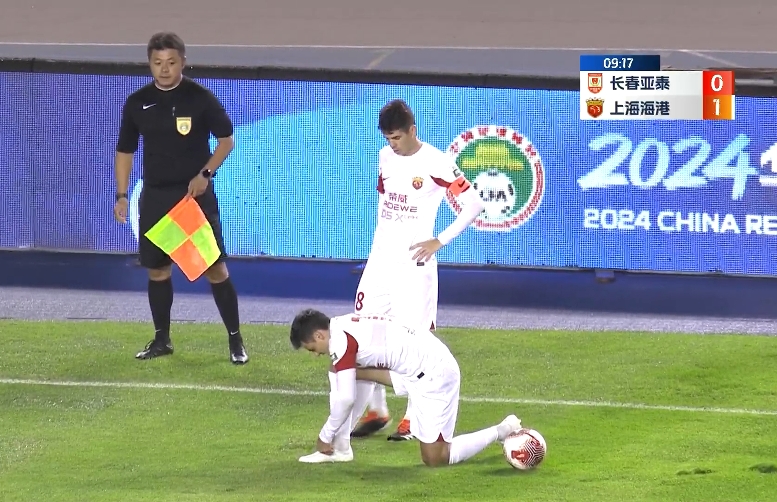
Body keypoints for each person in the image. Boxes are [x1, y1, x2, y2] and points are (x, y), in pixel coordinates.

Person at [350, 99, 486, 441]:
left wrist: (439, 240)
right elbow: (385, 202)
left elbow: (474, 204)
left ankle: (412, 417)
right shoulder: (385, 157)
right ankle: (377, 409)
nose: (392, 144)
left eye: (397, 137)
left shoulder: (437, 162)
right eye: (387, 138)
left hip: (414, 267)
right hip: (380, 263)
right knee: (364, 334)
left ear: (412, 130)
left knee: (413, 341)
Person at [113, 31, 248, 364]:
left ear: (183, 62)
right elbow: (125, 150)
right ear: (149, 64)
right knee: (158, 271)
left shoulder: (199, 98)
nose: (164, 69)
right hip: (155, 198)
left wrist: (205, 174)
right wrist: (121, 194)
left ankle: (235, 341)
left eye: (171, 62)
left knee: (215, 269)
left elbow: (227, 140)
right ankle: (162, 340)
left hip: (192, 198)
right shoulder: (137, 102)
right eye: (157, 62)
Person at [289, 309, 521, 466]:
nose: (315, 354)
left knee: (435, 457)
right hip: (416, 367)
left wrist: (325, 435)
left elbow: (347, 398)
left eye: (312, 348)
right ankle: (341, 449)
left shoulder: (341, 341)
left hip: (434, 374)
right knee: (338, 371)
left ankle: (502, 430)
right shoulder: (343, 324)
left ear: (319, 335)